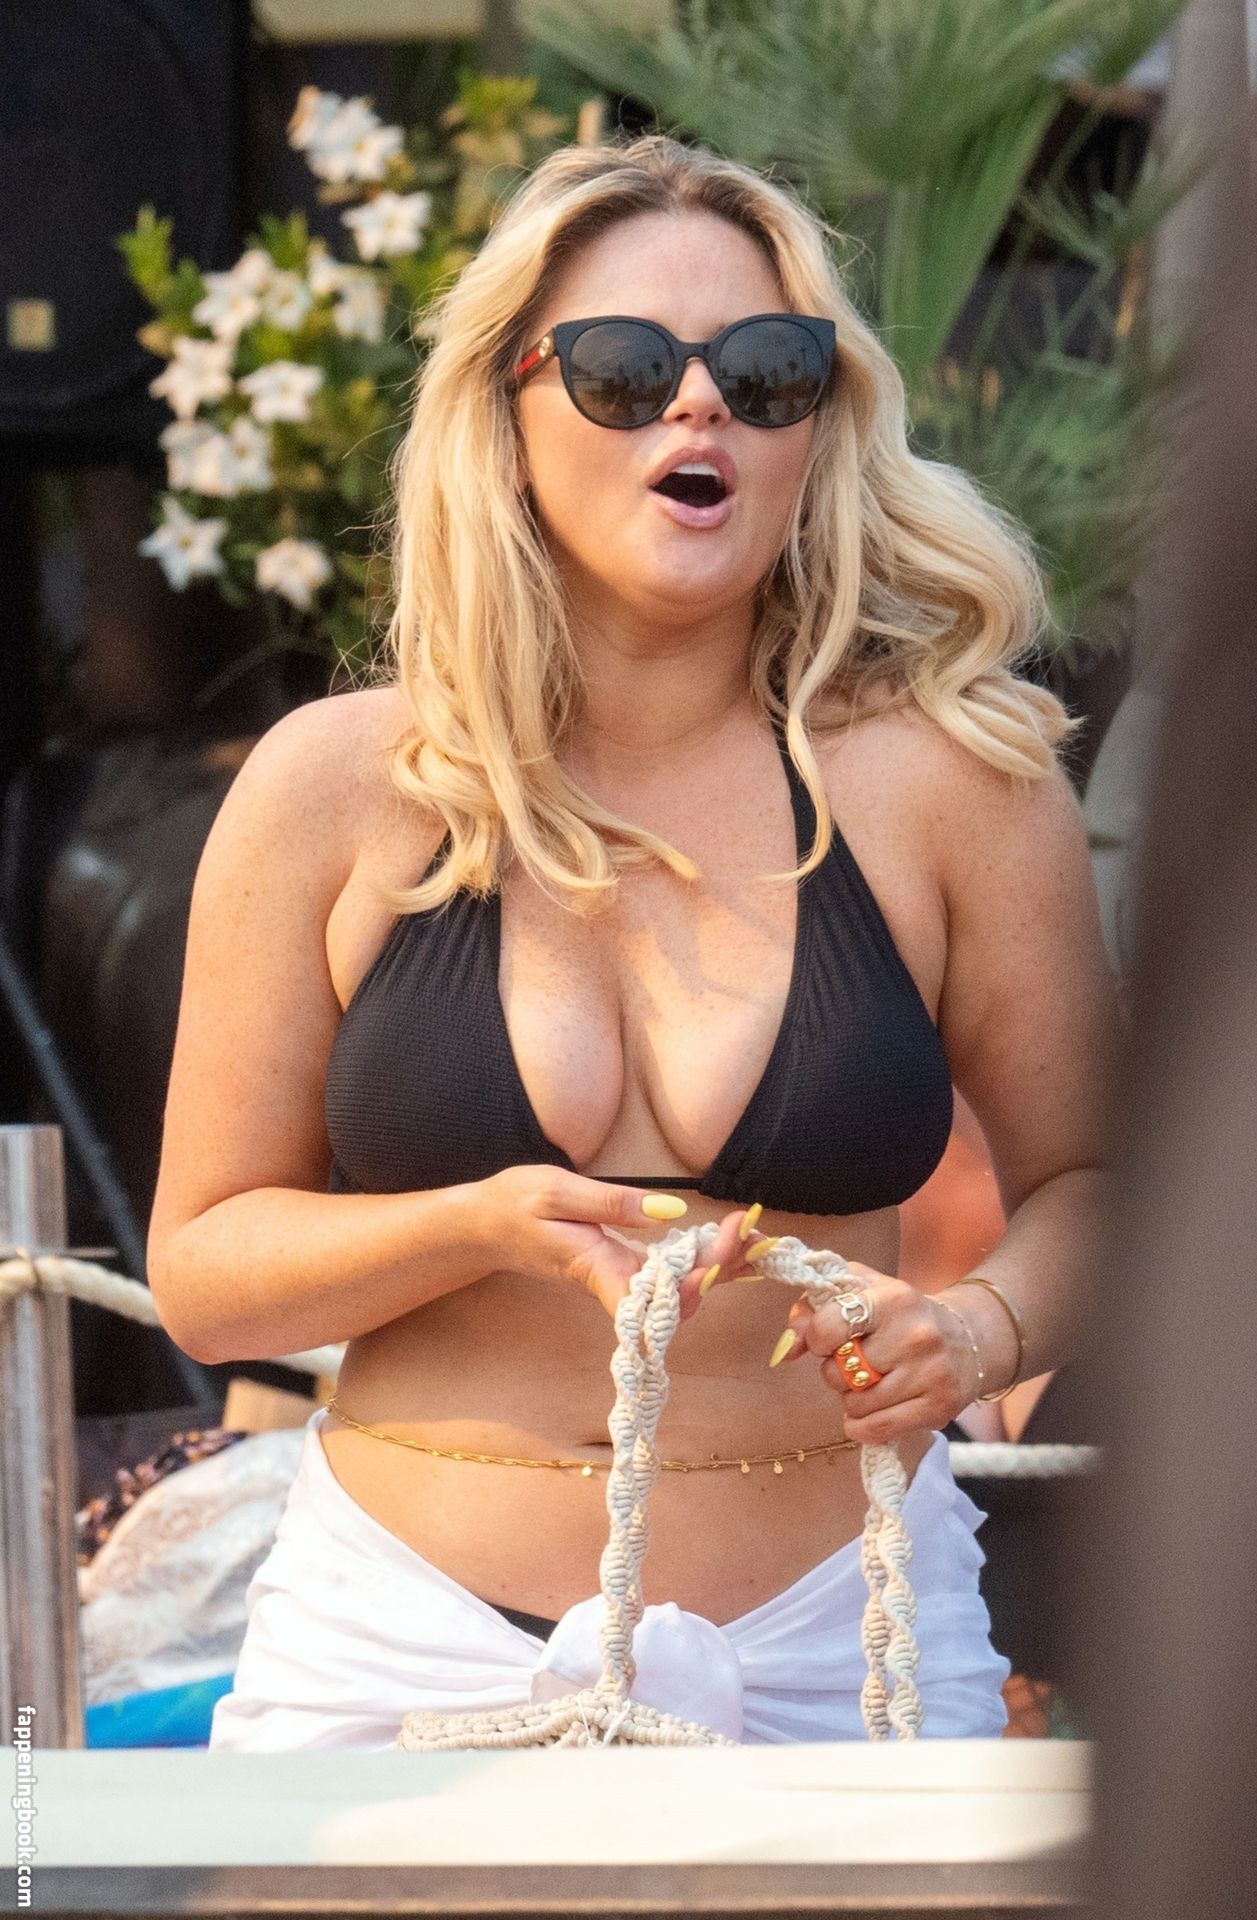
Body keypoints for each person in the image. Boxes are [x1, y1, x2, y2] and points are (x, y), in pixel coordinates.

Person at [147, 134, 1115, 1751]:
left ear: (818, 423)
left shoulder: (956, 784)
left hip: (844, 1636)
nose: (700, 405)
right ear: (506, 413)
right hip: (395, 1642)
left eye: (766, 369)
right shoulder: (335, 788)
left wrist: (973, 1332)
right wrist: (476, 1223)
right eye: (622, 369)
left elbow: (1104, 1182)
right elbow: (202, 1274)